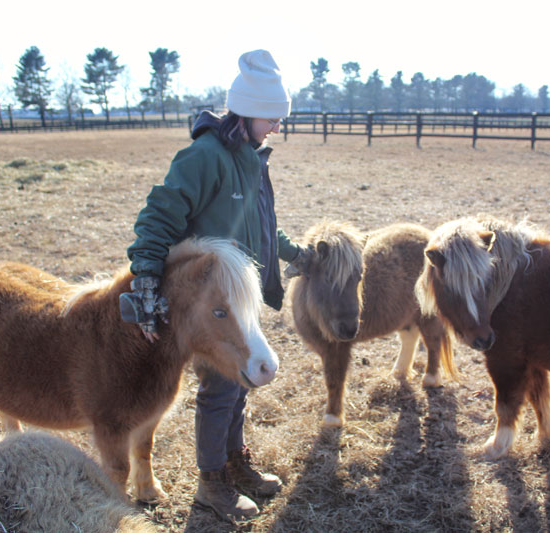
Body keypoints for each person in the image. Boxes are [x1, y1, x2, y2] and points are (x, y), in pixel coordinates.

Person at [122, 49, 311, 521]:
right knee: (222, 390)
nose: (278, 127)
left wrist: (297, 255)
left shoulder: (252, 159)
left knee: (242, 383)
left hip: (238, 298)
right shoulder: (204, 156)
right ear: (247, 112)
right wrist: (145, 280)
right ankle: (211, 484)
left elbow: (265, 225)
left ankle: (233, 463)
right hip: (209, 303)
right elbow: (156, 218)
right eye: (273, 117)